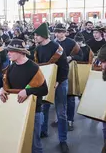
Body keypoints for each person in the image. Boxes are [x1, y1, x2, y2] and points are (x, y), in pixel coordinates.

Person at [0, 39, 48, 153]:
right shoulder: (11, 67)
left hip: (33, 111)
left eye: (11, 51)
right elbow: (8, 86)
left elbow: (44, 90)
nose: (8, 54)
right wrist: (2, 89)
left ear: (21, 52)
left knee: (34, 144)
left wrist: (28, 91)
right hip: (16, 110)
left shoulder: (33, 67)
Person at [34, 23, 70, 153]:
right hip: (45, 82)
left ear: (43, 36)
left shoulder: (57, 48)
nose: (35, 37)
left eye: (37, 35)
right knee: (44, 108)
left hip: (59, 83)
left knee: (61, 112)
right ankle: (43, 131)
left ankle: (63, 140)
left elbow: (64, 67)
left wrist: (58, 81)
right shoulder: (38, 49)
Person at [54, 23, 83, 131]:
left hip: (70, 71)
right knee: (59, 97)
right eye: (56, 32)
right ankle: (60, 118)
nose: (58, 34)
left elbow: (81, 55)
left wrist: (71, 57)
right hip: (58, 72)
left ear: (65, 32)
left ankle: (70, 120)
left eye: (60, 32)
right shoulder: (54, 43)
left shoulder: (72, 43)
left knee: (70, 97)